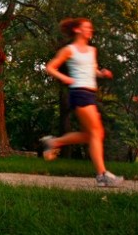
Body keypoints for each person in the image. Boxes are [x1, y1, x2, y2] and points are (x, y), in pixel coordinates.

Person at [42, 17, 124, 187]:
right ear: (78, 30)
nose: (90, 30)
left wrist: (102, 73)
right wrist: (66, 78)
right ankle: (102, 175)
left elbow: (92, 70)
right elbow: (50, 67)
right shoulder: (69, 50)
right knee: (97, 132)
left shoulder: (92, 50)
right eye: (87, 27)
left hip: (90, 93)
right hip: (79, 93)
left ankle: (55, 142)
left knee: (91, 135)